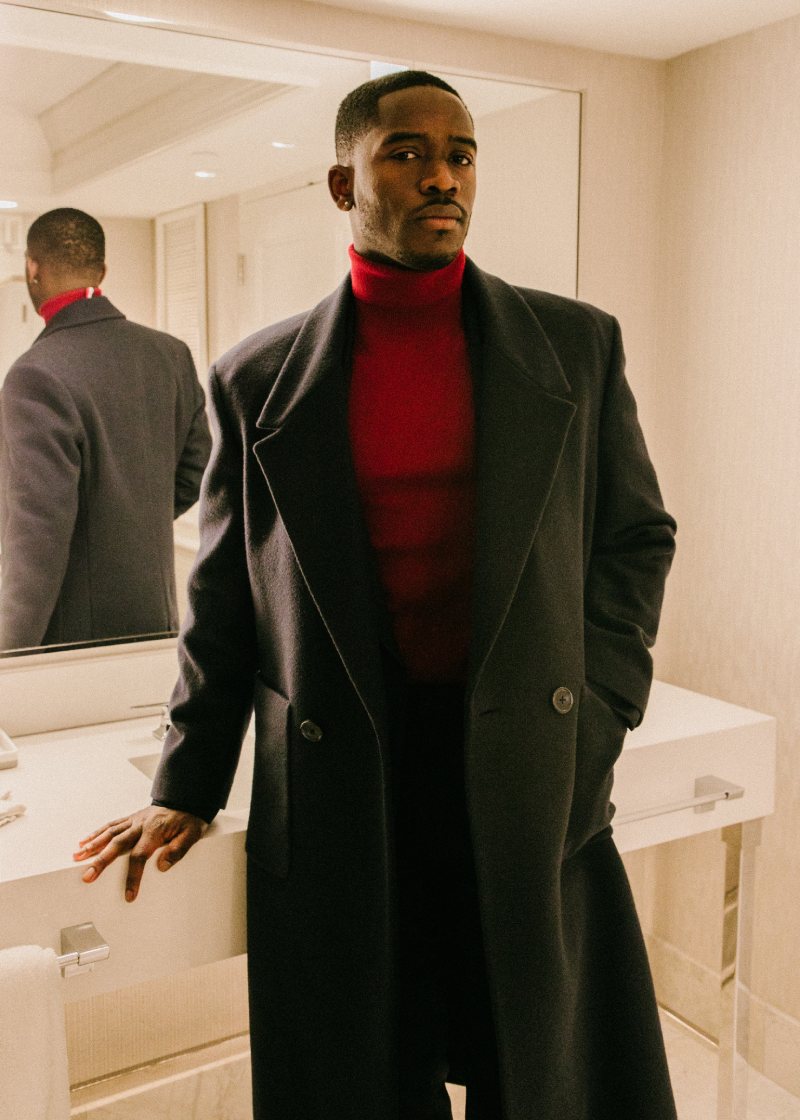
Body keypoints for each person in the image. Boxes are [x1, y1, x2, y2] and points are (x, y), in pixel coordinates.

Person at [74, 72, 678, 1120]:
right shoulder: (256, 377)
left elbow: (635, 537)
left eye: (460, 154)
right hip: (345, 769)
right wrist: (188, 780)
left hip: (523, 760)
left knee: (538, 1063)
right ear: (342, 182)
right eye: (406, 152)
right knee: (362, 1063)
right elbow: (225, 600)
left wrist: (600, 706)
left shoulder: (575, 345)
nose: (442, 176)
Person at [0, 208, 211, 651]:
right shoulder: (170, 354)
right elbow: (196, 472)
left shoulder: (34, 374)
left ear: (32, 269)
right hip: (157, 623)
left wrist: (10, 653)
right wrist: (127, 521)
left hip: (70, 645)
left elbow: (37, 536)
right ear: (102, 271)